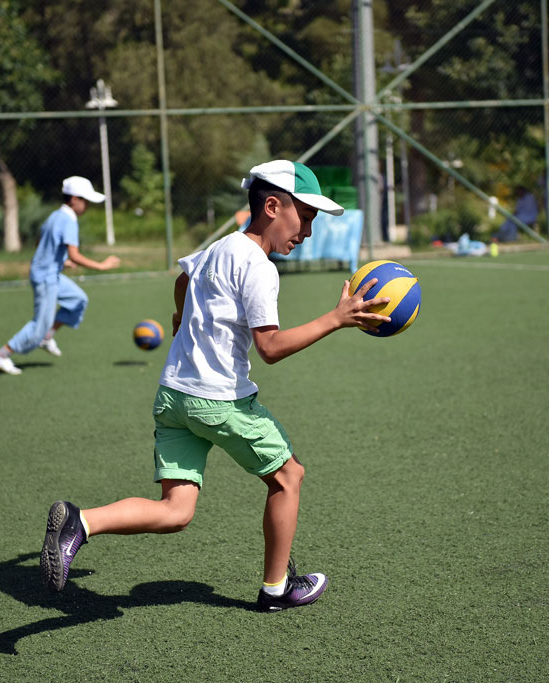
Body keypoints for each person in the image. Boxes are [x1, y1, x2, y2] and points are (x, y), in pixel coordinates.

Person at [39, 160, 390, 611]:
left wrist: (180, 318)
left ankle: (80, 522)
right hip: (218, 401)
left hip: (173, 395)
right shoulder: (260, 267)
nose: (307, 232)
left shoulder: (219, 247)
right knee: (289, 476)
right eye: (304, 217)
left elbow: (183, 279)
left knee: (176, 511)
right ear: (271, 206)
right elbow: (270, 348)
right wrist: (336, 319)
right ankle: (276, 589)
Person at [0, 176, 120, 375]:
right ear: (74, 199)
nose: (87, 206)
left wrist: (61, 261)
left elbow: (41, 242)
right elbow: (75, 254)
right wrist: (101, 266)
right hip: (46, 278)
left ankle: (46, 337)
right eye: (85, 201)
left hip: (49, 274)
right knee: (38, 325)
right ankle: (1, 354)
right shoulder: (69, 220)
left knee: (78, 300)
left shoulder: (55, 216)